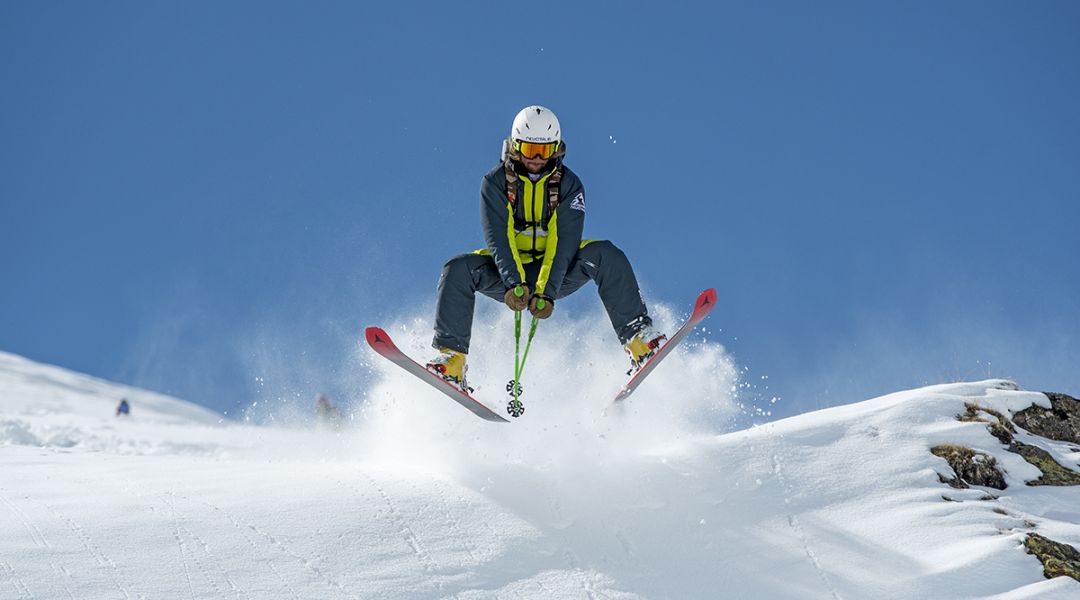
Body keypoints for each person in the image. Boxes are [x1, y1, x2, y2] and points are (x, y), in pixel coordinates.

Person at [426, 105, 665, 390]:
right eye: (529, 150)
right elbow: (498, 238)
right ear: (515, 146)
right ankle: (452, 361)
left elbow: (563, 242)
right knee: (457, 269)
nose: (537, 160)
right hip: (508, 273)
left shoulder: (569, 184)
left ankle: (639, 341)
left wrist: (545, 291)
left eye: (544, 151)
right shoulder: (495, 182)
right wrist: (514, 283)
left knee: (605, 254)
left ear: (556, 150)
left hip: (554, 273)